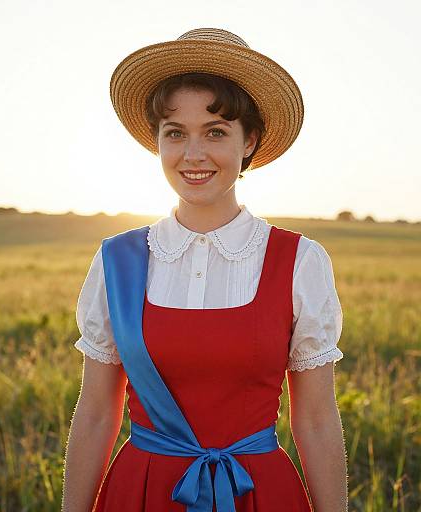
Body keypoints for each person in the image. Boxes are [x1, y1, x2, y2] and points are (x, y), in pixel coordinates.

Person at [62, 28, 348, 512]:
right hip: (143, 491)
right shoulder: (117, 260)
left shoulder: (299, 260)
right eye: (175, 133)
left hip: (257, 491)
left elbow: (316, 419)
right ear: (157, 143)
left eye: (215, 132)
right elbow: (94, 412)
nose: (193, 155)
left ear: (249, 141)